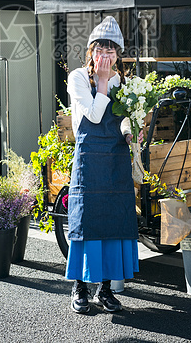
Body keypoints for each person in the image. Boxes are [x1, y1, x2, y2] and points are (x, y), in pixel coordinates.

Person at [65, 16, 139, 314]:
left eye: (111, 51)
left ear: (118, 55)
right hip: (89, 161)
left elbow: (120, 117)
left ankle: (105, 289)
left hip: (115, 160)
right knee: (86, 223)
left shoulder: (121, 81)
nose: (105, 56)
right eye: (100, 50)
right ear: (91, 51)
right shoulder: (79, 78)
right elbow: (94, 116)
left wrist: (130, 129)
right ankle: (80, 287)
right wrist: (104, 81)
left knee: (113, 223)